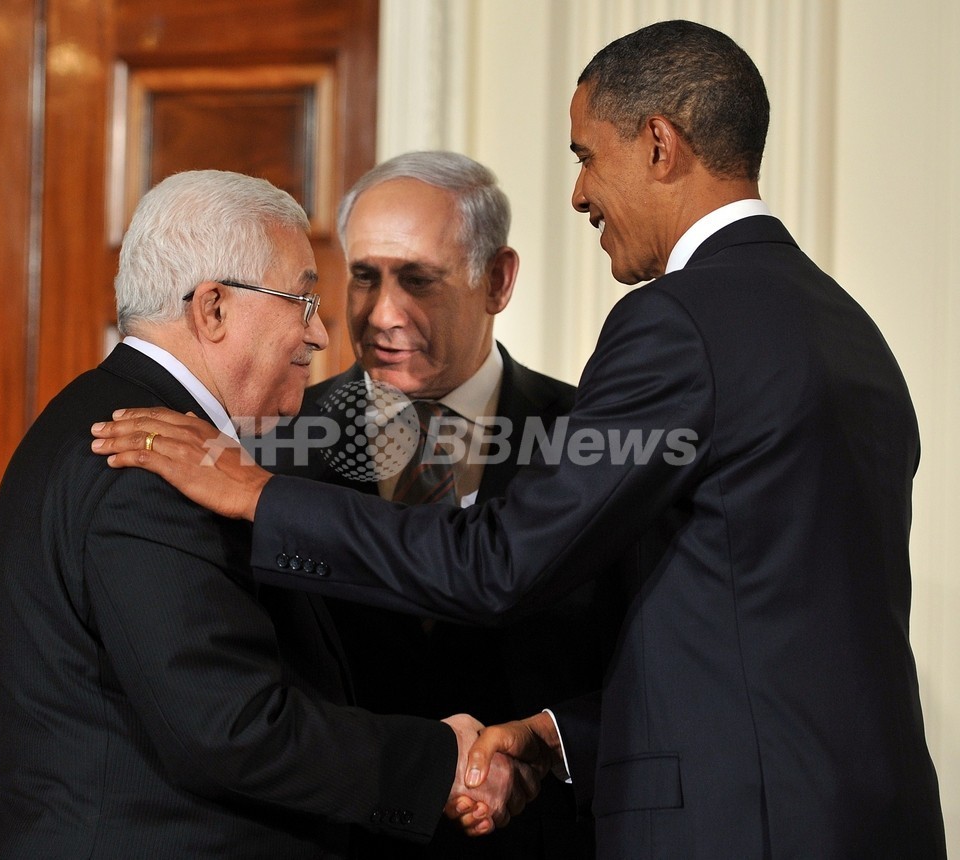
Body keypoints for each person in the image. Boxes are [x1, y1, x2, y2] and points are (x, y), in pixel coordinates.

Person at [90, 21, 947, 859]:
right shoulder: (850, 332)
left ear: (658, 145)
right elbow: (751, 624)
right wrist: (554, 735)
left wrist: (262, 496)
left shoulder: (678, 323)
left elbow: (499, 563)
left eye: (585, 156)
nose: (578, 194)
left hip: (739, 825)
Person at [0, 169, 533, 859]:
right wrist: (440, 760)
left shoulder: (125, 425)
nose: (323, 334)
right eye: (302, 299)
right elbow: (231, 725)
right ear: (211, 308)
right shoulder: (146, 462)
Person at [266, 150, 603, 859]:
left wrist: (543, 747)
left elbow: (648, 670)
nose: (383, 314)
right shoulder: (273, 447)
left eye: (418, 279)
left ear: (498, 280)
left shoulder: (591, 441)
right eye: (364, 278)